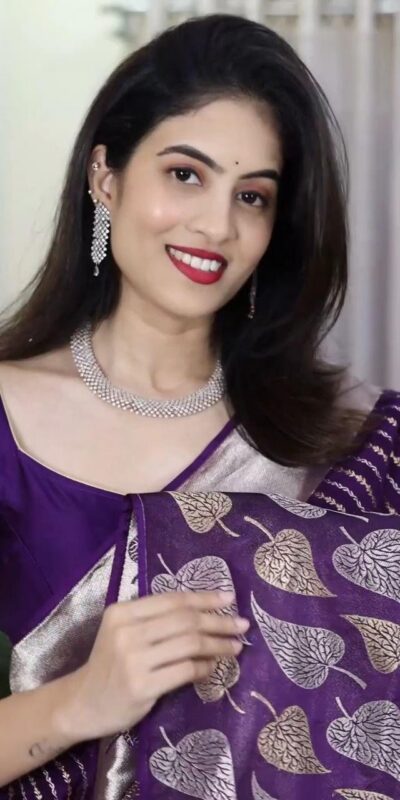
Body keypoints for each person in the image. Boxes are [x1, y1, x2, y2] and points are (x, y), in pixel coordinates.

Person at [0, 12, 399, 800]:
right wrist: (80, 701)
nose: (217, 225)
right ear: (105, 178)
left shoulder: (353, 437)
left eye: (252, 196)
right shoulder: (8, 415)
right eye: (186, 174)